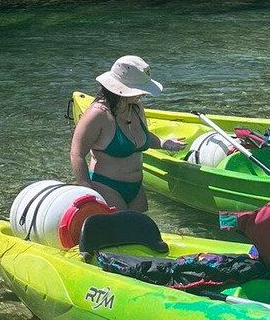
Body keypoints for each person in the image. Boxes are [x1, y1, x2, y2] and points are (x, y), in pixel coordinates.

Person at [71, 56, 185, 212]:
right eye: (140, 90)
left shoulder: (136, 107)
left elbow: (141, 137)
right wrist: (87, 190)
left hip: (136, 188)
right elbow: (76, 155)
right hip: (107, 186)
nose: (143, 94)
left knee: (140, 233)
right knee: (122, 231)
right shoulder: (97, 115)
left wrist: (164, 143)